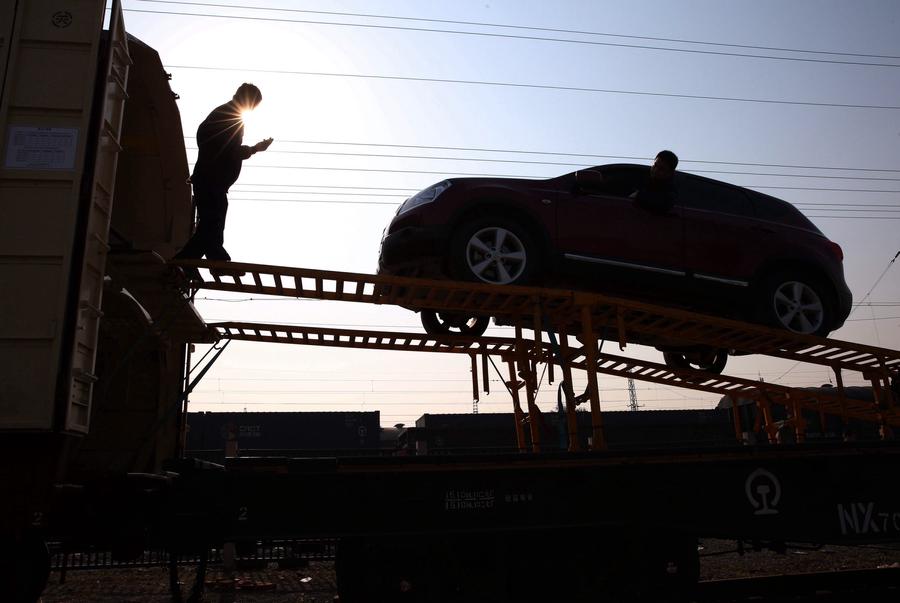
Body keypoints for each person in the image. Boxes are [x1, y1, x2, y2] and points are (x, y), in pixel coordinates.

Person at [175, 83, 273, 269]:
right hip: (211, 180)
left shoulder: (226, 115)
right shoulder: (228, 116)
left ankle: (212, 254)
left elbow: (215, 142)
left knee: (214, 221)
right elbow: (230, 150)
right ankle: (188, 260)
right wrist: (254, 149)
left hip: (213, 181)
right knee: (212, 222)